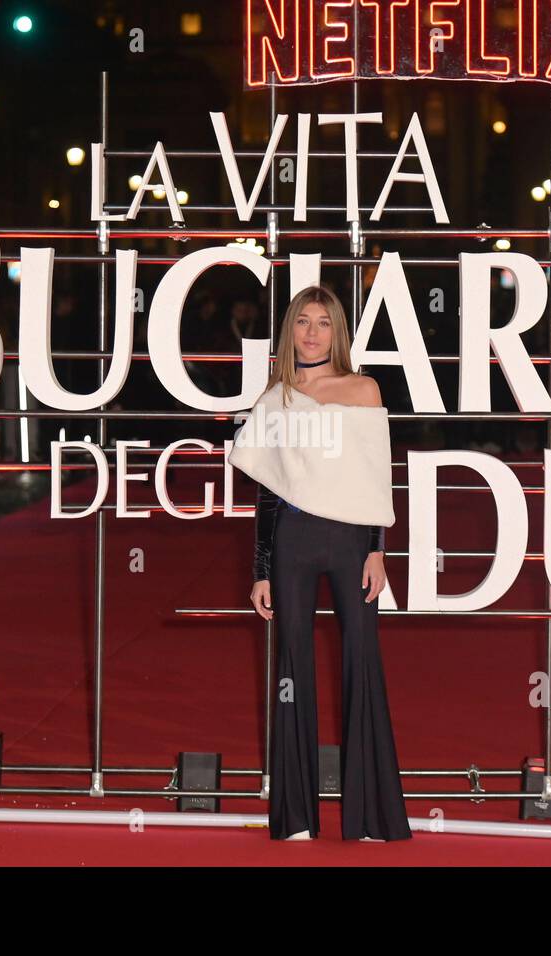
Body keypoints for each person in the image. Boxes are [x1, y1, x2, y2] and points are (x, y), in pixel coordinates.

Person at [228, 285, 412, 843]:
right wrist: (261, 567)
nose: (312, 332)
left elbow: (375, 476)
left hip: (353, 540)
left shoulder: (363, 390)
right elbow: (267, 490)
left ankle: (371, 816)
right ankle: (295, 817)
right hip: (293, 543)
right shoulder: (276, 397)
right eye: (303, 322)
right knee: (291, 669)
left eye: (324, 323)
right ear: (291, 331)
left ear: (338, 331)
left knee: (362, 660)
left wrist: (379, 547)